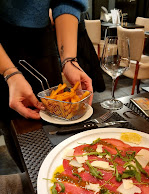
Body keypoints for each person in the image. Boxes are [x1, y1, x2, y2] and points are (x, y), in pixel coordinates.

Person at [0, 0, 93, 170]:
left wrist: (69, 60)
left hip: (42, 40)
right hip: (3, 45)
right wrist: (9, 72)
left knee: (57, 123)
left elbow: (68, 2)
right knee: (17, 130)